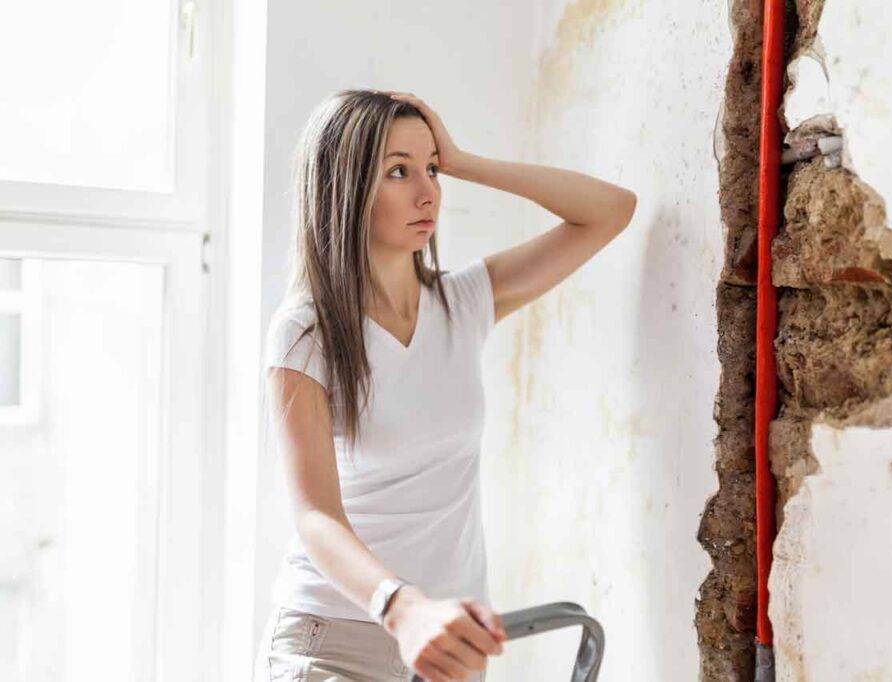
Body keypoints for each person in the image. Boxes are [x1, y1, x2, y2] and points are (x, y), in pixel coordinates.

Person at [253, 88, 636, 682]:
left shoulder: (463, 302)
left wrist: (463, 159)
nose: (427, 191)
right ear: (345, 188)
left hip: (448, 640)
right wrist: (402, 610)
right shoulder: (306, 331)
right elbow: (315, 516)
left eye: (430, 169)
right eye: (397, 172)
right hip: (337, 637)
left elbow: (610, 210)